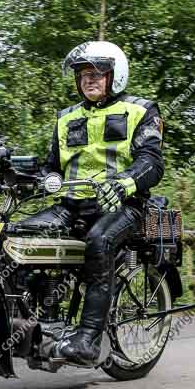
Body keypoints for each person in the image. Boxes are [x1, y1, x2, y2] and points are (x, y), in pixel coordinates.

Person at [20, 41, 165, 365]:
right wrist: (30, 178)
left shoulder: (141, 111)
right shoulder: (65, 117)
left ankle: (87, 340)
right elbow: (52, 167)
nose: (89, 79)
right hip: (70, 205)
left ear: (116, 76)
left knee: (99, 243)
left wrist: (125, 183)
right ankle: (34, 322)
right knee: (19, 237)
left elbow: (152, 162)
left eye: (98, 73)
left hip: (123, 206)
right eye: (83, 74)